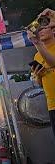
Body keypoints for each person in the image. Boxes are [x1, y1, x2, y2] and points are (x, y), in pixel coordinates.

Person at [27, 8, 55, 137]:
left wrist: (37, 43)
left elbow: (52, 63)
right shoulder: (37, 56)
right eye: (38, 30)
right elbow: (41, 84)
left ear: (53, 29)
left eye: (43, 28)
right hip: (52, 104)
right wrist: (38, 76)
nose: (40, 32)